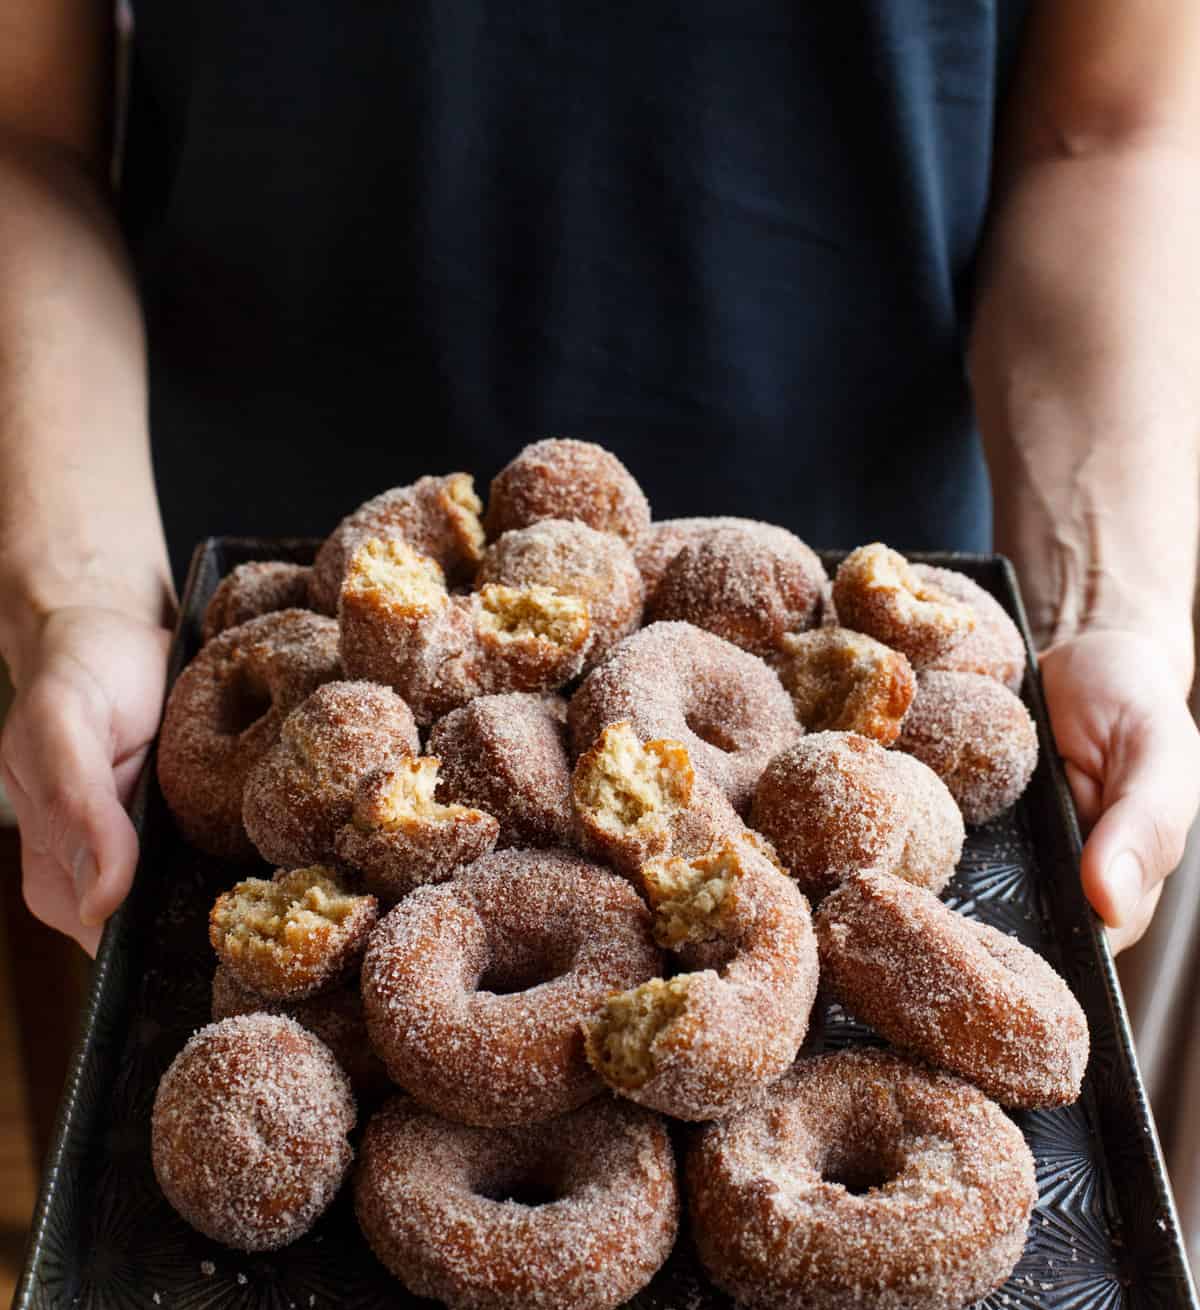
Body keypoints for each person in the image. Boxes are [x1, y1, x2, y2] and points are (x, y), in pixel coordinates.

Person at [0, 0, 1198, 959]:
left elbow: (1108, 129)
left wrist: (1105, 615)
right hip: (230, 632)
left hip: (875, 651)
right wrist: (81, 598)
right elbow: (24, 130)